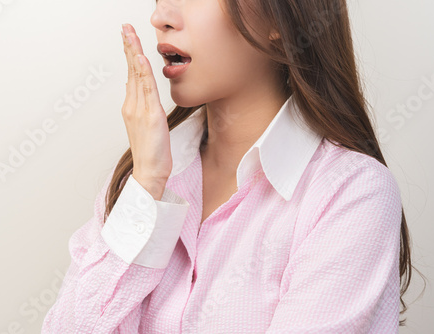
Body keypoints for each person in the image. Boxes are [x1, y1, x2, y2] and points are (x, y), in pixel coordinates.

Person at [41, 0, 414, 332]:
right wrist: (147, 184)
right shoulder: (139, 180)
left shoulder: (350, 194)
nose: (160, 16)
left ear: (280, 19)